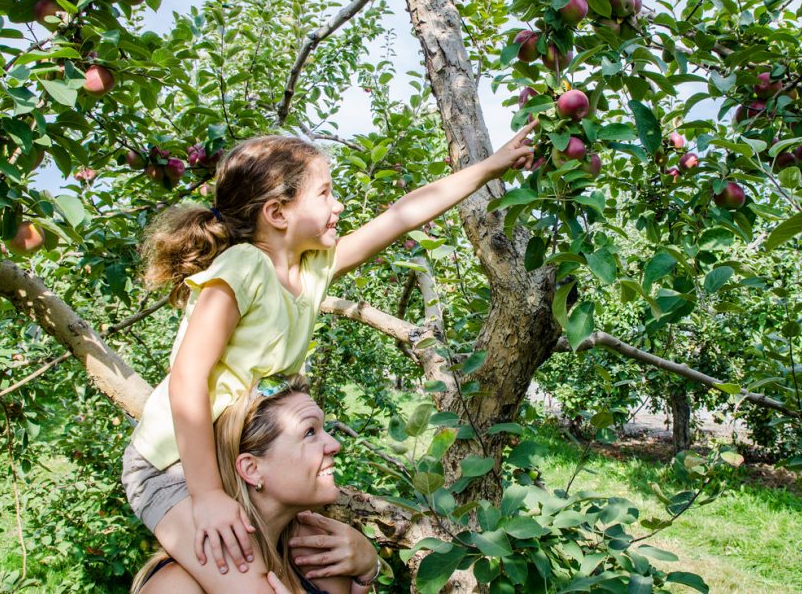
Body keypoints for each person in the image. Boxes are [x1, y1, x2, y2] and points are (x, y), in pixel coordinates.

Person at [123, 126, 537, 593]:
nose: (338, 205)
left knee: (327, 572)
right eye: (325, 193)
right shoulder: (244, 267)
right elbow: (186, 380)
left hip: (237, 462)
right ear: (277, 213)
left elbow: (402, 215)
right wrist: (208, 496)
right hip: (173, 469)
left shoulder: (312, 269)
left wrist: (490, 165)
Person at [132, 376, 379, 593]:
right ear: (252, 469)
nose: (335, 445)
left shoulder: (317, 558)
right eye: (309, 433)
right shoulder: (178, 587)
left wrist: (368, 571)